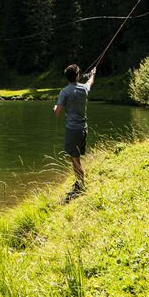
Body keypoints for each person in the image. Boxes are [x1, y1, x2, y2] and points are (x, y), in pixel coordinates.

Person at [53, 63, 96, 201]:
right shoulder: (84, 89)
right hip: (84, 128)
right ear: (77, 76)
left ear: (67, 77)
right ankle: (79, 183)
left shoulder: (64, 92)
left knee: (75, 159)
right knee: (76, 158)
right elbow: (89, 83)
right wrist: (93, 74)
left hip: (72, 130)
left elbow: (58, 113)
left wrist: (55, 107)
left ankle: (81, 185)